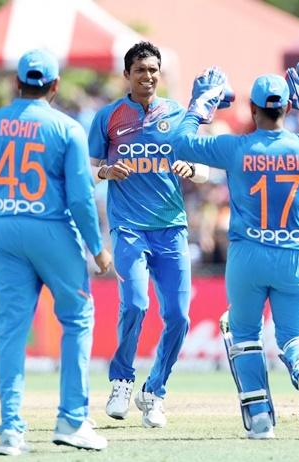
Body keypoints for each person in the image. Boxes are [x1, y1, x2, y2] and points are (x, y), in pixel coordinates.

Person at [174, 64, 299, 439]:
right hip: (294, 257)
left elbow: (180, 143)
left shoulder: (235, 146)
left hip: (247, 255)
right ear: (287, 109)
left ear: (252, 110)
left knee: (243, 334)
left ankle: (260, 421)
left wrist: (199, 107)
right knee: (296, 334)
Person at [0, 49, 112, 455]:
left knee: (11, 330)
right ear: (55, 85)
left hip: (4, 230)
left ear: (17, 82)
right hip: (52, 229)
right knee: (78, 319)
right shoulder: (67, 128)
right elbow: (81, 198)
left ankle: (11, 430)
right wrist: (97, 247)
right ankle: (72, 419)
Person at [88, 41, 210, 429]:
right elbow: (87, 170)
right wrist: (107, 172)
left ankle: (154, 391)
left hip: (171, 229)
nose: (149, 76)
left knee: (179, 317)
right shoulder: (108, 118)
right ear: (127, 75)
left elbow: (206, 168)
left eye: (154, 69)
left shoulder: (177, 115)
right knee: (137, 303)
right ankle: (122, 380)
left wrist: (193, 172)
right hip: (128, 229)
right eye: (140, 70)